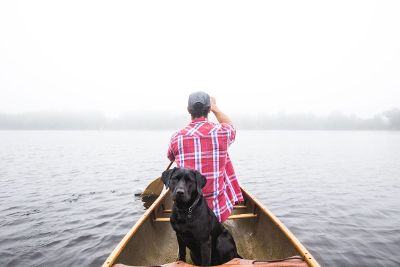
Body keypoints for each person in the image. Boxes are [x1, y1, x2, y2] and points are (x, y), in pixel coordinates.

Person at [167, 91, 243, 222]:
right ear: (208, 109)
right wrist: (215, 107)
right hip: (217, 212)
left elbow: (170, 157)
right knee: (225, 167)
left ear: (188, 110)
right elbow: (232, 126)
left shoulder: (176, 137)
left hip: (187, 211)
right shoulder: (223, 132)